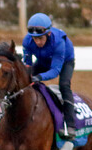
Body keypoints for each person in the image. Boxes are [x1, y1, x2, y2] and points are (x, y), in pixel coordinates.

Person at [22, 12, 76, 140]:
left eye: (40, 38)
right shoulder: (27, 42)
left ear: (49, 34)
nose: (38, 42)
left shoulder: (59, 43)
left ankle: (70, 125)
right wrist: (28, 75)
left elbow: (55, 70)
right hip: (43, 60)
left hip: (64, 62)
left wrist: (39, 77)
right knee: (25, 80)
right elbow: (28, 64)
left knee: (64, 85)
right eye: (35, 39)